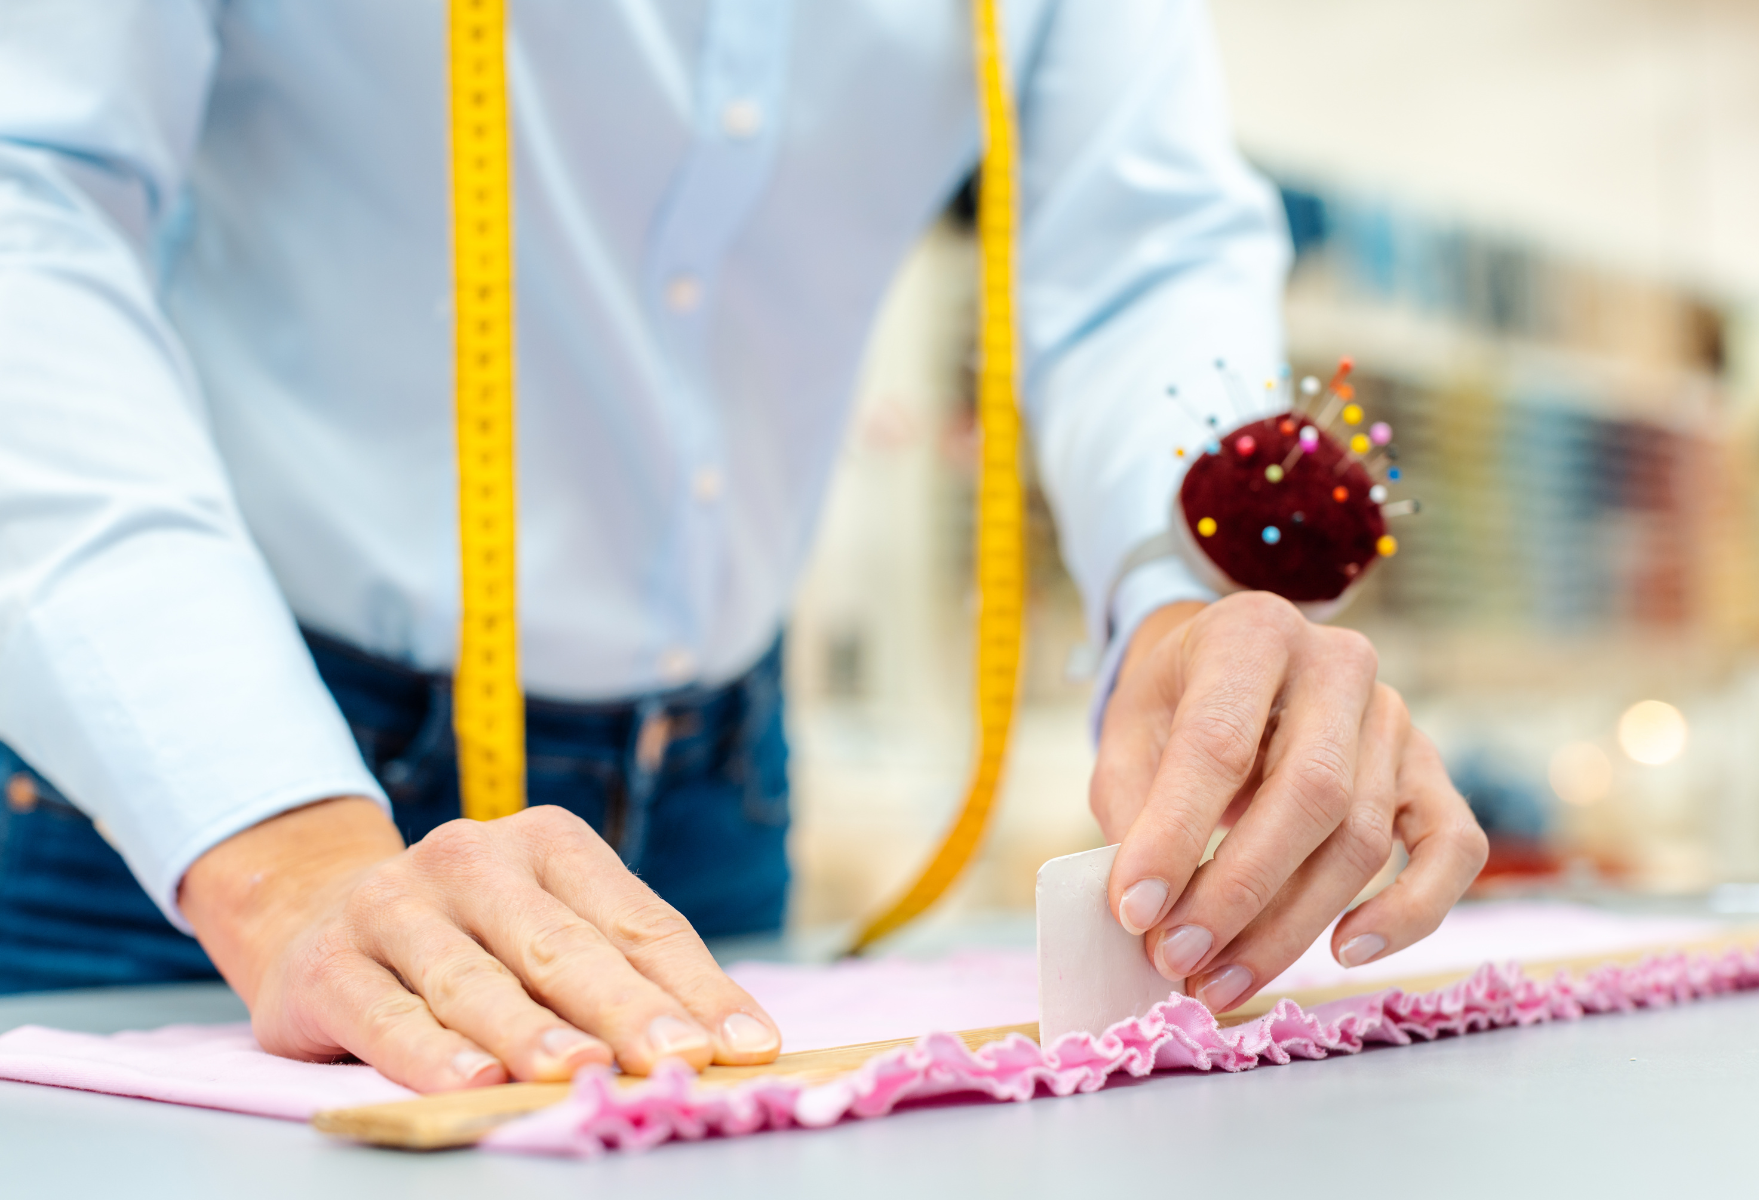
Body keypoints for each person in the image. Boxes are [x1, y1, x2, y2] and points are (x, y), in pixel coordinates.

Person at [0, 1, 1486, 1092]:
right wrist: (283, 854)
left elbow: (1137, 251)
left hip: (708, 788)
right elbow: (26, 193)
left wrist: (1188, 610)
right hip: (181, 797)